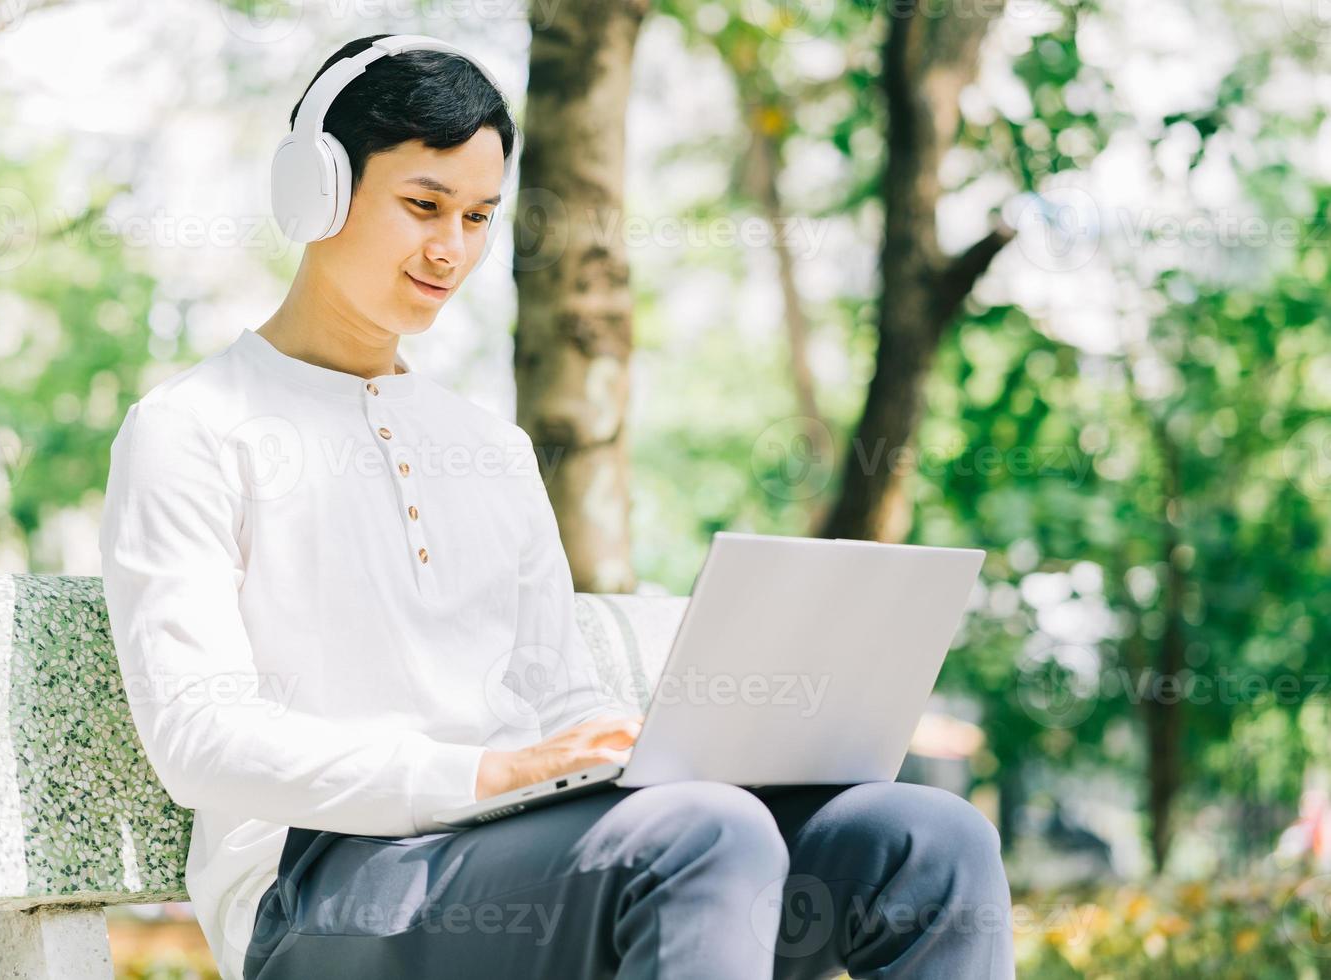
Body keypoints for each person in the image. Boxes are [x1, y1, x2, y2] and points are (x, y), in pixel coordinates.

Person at [98, 33, 1016, 980]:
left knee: (923, 839)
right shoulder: (193, 429)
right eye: (423, 206)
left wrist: (651, 749)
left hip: (529, 852)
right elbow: (200, 739)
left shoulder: (492, 451)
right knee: (705, 838)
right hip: (323, 883)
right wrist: (486, 775)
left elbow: (557, 695)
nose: (450, 249)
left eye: (480, 216)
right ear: (317, 191)